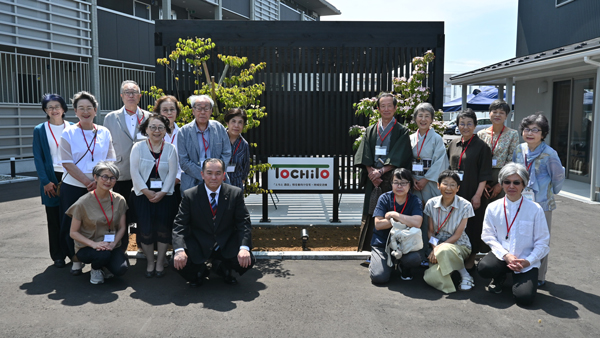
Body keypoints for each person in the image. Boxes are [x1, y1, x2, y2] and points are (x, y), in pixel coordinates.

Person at [172, 158, 254, 287]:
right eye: (209, 173)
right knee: (176, 261)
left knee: (248, 260)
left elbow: (243, 223)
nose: (214, 177)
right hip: (199, 243)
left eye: (218, 173)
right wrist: (179, 250)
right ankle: (200, 272)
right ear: (202, 175)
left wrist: (244, 248)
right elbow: (179, 224)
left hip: (225, 243)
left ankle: (222, 268)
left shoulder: (235, 193)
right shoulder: (190, 195)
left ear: (224, 175)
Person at [59, 91, 116, 275]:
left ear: (95, 110)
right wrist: (87, 181)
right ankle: (76, 259)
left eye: (89, 108)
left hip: (100, 186)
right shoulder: (68, 132)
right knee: (72, 224)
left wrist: (100, 181)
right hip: (74, 186)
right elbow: (66, 162)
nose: (85, 112)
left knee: (99, 223)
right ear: (75, 111)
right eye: (81, 108)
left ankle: (99, 258)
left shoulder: (104, 131)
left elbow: (110, 159)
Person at [478, 163, 550, 306]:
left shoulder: (535, 209)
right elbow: (488, 235)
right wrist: (506, 255)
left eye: (516, 182)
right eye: (507, 182)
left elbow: (543, 242)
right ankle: (500, 276)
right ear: (502, 183)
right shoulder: (493, 207)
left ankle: (519, 278)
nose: (511, 186)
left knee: (524, 299)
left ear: (524, 185)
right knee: (484, 268)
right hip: (502, 256)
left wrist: (528, 261)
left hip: (526, 260)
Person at [354, 92, 413, 257]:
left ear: (395, 108)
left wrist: (381, 171)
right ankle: (368, 251)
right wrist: (371, 172)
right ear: (378, 108)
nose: (386, 109)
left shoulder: (402, 131)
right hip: (373, 179)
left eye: (389, 106)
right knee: (371, 211)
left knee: (392, 213)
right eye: (383, 106)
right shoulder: (371, 130)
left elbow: (401, 154)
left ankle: (394, 252)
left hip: (393, 180)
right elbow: (364, 152)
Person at [512, 113, 564, 287]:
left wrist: (549, 192)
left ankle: (540, 276)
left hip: (542, 203)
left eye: (536, 130)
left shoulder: (549, 154)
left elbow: (558, 177)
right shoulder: (519, 150)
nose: (530, 133)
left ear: (543, 134)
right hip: (521, 201)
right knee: (521, 235)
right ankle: (520, 269)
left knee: (541, 239)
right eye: (527, 129)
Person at [103, 80, 150, 251]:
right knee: (119, 211)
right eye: (127, 92)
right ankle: (119, 248)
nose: (131, 95)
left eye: (134, 92)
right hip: (120, 172)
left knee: (141, 211)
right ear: (121, 96)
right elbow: (106, 145)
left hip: (143, 172)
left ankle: (142, 247)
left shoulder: (149, 116)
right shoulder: (110, 117)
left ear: (139, 96)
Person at [130, 114, 179, 278]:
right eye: (152, 127)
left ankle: (160, 262)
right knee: (146, 229)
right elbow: (134, 172)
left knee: (164, 230)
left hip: (165, 196)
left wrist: (163, 192)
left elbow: (172, 174)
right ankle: (150, 262)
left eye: (160, 128)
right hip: (143, 196)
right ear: (145, 129)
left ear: (166, 130)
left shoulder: (171, 148)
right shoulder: (138, 147)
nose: (156, 131)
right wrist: (146, 191)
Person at [68, 162, 129, 284]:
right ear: (95, 177)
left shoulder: (119, 200)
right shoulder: (83, 202)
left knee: (121, 269)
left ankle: (104, 266)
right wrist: (94, 244)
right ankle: (96, 268)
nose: (108, 181)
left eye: (112, 178)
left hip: (110, 244)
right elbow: (73, 233)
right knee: (103, 255)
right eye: (104, 176)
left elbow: (122, 227)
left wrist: (113, 244)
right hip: (88, 246)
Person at [447, 108, 492, 270]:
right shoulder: (453, 144)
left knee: (473, 226)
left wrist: (478, 195)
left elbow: (484, 174)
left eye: (469, 124)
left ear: (475, 125)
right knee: (454, 224)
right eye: (462, 124)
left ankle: (471, 258)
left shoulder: (482, 147)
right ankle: (455, 254)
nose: (465, 127)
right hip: (454, 193)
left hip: (472, 192)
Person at [32, 94, 74, 268]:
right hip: (51, 177)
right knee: (54, 218)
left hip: (71, 176)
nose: (54, 110)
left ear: (63, 109)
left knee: (72, 216)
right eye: (49, 107)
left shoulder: (72, 127)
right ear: (45, 110)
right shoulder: (40, 130)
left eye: (57, 106)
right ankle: (58, 255)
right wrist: (45, 181)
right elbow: (38, 157)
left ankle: (73, 253)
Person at [409, 102, 448, 264]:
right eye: (420, 115)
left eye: (427, 116)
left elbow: (440, 161)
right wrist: (411, 178)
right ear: (415, 118)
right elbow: (406, 159)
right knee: (416, 216)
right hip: (413, 182)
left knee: (432, 216)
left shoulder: (437, 138)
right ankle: (416, 250)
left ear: (432, 119)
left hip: (430, 182)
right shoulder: (410, 138)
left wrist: (425, 179)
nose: (423, 119)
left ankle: (432, 252)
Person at [423, 170, 475, 293]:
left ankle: (465, 275)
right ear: (438, 185)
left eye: (453, 184)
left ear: (458, 188)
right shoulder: (431, 203)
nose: (448, 188)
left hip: (459, 246)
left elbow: (457, 235)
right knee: (430, 277)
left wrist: (437, 249)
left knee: (445, 249)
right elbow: (430, 232)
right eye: (445, 183)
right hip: (437, 246)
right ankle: (449, 274)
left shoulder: (466, 206)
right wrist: (435, 248)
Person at [370, 168, 423, 284]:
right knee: (379, 278)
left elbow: (417, 223)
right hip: (383, 243)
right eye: (396, 182)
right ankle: (382, 262)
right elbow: (378, 224)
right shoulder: (384, 198)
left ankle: (403, 266)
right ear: (391, 184)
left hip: (405, 243)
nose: (400, 186)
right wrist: (405, 220)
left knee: (414, 259)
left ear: (410, 185)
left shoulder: (414, 200)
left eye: (403, 183)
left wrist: (394, 215)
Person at [177, 95, 231, 194]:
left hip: (218, 181)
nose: (202, 112)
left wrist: (215, 173)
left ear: (211, 111)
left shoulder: (219, 128)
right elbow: (183, 161)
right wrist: (205, 175)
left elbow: (227, 153)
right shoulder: (183, 132)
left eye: (206, 108)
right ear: (193, 111)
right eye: (199, 108)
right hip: (192, 181)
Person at [477, 100, 519, 202]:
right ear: (489, 113)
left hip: (503, 174)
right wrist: (482, 183)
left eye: (501, 113)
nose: (497, 115)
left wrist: (501, 183)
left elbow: (512, 160)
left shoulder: (512, 134)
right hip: (482, 175)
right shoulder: (481, 134)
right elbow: (477, 159)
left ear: (506, 116)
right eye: (494, 112)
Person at [155, 95, 183, 200]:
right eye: (165, 110)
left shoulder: (183, 133)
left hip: (178, 184)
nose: (169, 113)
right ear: (159, 112)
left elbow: (185, 160)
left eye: (172, 109)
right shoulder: (152, 133)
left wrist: (176, 179)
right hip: (157, 183)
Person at [224, 108, 251, 190]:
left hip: (236, 185)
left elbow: (246, 165)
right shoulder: (219, 140)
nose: (236, 125)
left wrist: (242, 180)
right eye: (233, 121)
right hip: (219, 184)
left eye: (240, 122)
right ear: (227, 123)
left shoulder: (244, 144)